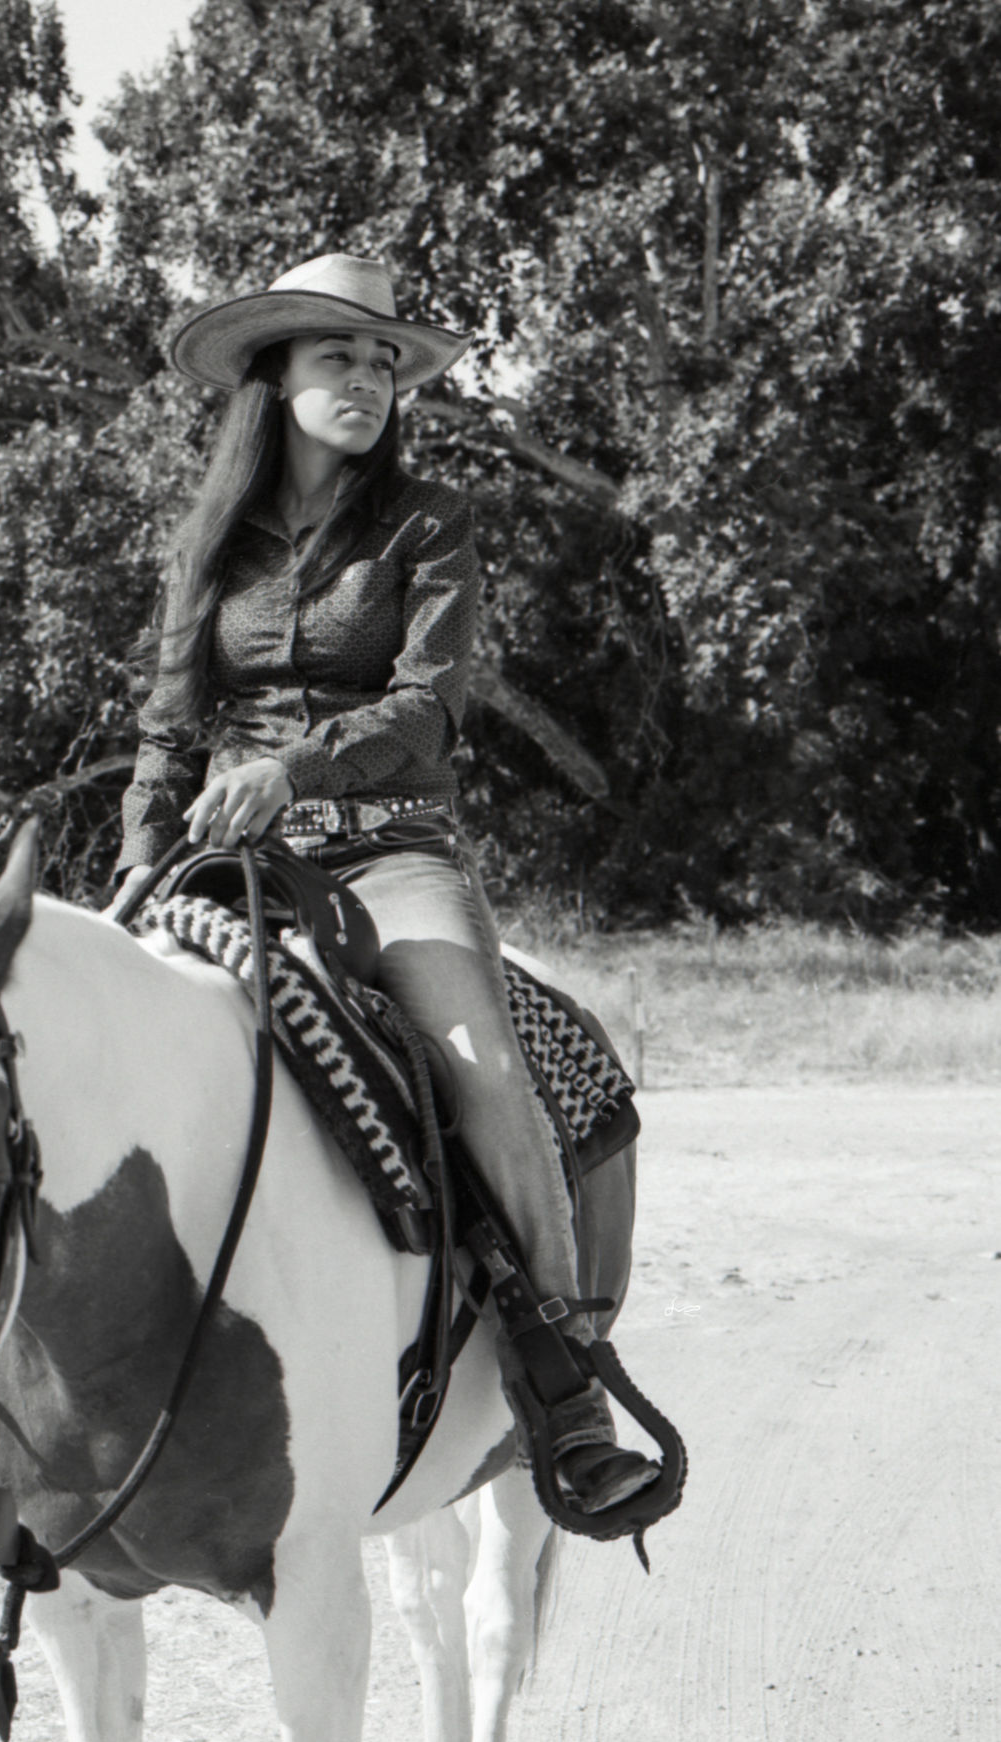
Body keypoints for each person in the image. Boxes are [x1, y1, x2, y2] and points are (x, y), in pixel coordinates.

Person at [114, 253, 656, 1518]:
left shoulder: (428, 522)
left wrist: (291, 770)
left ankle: (563, 1388)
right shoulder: (207, 543)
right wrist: (138, 859)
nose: (364, 379)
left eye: (380, 362)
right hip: (226, 854)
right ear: (272, 378)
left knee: (479, 1065)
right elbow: (169, 717)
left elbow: (428, 706)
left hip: (390, 849)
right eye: (335, 358)